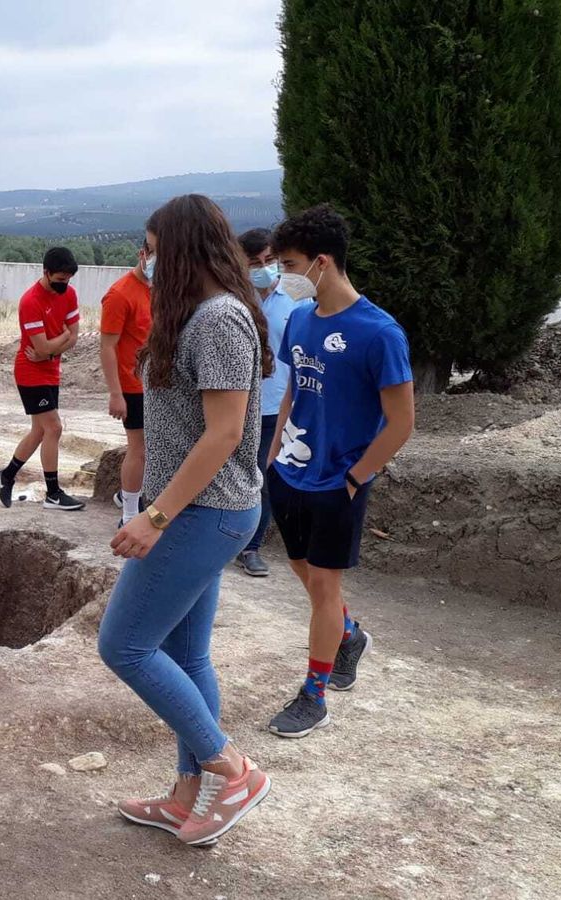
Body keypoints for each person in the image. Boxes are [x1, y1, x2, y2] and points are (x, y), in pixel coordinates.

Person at [98, 194, 273, 848]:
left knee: (124, 645)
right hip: (199, 511)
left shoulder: (221, 319)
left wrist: (156, 516)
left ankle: (231, 770)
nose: (147, 260)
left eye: (154, 247)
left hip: (204, 512)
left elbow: (225, 434)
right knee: (184, 652)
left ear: (183, 250)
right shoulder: (195, 316)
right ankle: (185, 794)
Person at [264, 205, 415, 739]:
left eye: (289, 264)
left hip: (339, 482)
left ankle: (314, 694)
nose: (283, 274)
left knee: (325, 584)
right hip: (290, 472)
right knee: (303, 570)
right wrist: (275, 452)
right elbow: (293, 389)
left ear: (321, 263)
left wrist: (356, 478)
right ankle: (348, 635)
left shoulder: (380, 333)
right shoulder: (301, 319)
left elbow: (401, 422)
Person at [234, 228, 307, 577]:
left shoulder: (298, 300)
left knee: (263, 479)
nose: (264, 269)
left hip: (276, 407)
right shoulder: (234, 299)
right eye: (255, 263)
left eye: (270, 261)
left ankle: (251, 547)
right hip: (235, 405)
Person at [0, 247, 86, 511]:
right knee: (54, 427)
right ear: (45, 272)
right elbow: (42, 346)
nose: (64, 286)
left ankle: (6, 475)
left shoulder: (70, 294)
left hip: (50, 369)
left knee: (40, 430)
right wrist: (59, 342)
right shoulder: (30, 301)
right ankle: (53, 493)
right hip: (30, 372)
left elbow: (74, 337)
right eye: (59, 280)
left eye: (68, 280)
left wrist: (52, 350)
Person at [99, 240, 154, 525]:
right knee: (139, 449)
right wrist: (115, 393)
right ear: (142, 255)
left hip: (158, 385)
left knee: (154, 449)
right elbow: (107, 346)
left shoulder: (160, 290)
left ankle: (130, 494)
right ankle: (130, 513)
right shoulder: (120, 294)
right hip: (133, 387)